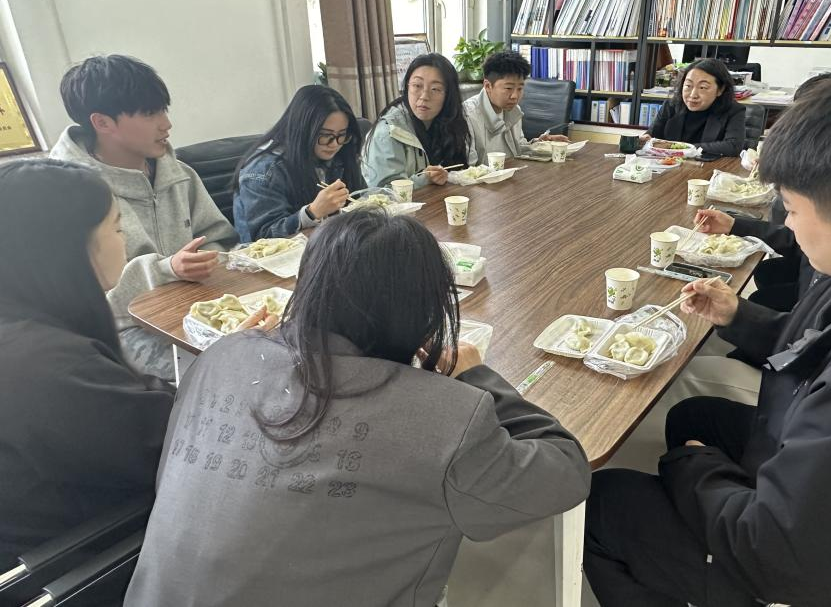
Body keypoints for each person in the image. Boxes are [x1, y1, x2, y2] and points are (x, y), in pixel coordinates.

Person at [584, 70, 831, 606]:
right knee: (692, 418)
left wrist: (695, 465)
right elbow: (816, 343)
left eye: (793, 210)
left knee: (606, 500)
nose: (790, 226)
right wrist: (739, 315)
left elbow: (777, 558)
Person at [124, 210, 591, 606]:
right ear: (424, 314)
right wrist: (476, 377)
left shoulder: (219, 355)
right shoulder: (445, 416)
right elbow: (567, 471)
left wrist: (242, 348)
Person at [0, 159, 176, 566]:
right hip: (86, 564)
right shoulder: (42, 366)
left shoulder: (28, 332)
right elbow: (177, 446)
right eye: (116, 228)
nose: (124, 240)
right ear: (70, 248)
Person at [50, 55, 237, 379]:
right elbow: (84, 297)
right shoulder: (67, 193)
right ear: (102, 122)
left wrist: (209, 261)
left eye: (163, 110)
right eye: (151, 114)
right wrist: (165, 270)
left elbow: (218, 236)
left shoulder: (179, 174)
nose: (166, 124)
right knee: (221, 376)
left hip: (200, 311)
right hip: (122, 330)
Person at [692, 71, 831, 313]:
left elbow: (809, 330)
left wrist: (737, 316)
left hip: (810, 304)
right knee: (765, 274)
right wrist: (735, 225)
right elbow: (795, 239)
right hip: (806, 285)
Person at [232, 85, 367, 243]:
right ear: (303, 130)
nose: (334, 144)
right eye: (325, 135)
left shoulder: (342, 152)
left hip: (331, 245)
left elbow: (360, 199)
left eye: (342, 135)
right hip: (277, 256)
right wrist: (312, 212)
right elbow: (263, 237)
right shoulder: (264, 169)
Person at [363, 53, 478, 188]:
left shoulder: (452, 122)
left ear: (448, 95)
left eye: (435, 89)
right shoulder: (388, 132)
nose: (424, 96)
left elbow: (465, 167)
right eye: (417, 85)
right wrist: (425, 179)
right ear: (407, 87)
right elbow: (384, 191)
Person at [462, 50, 569, 164]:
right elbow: (468, 167)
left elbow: (518, 148)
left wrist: (539, 143)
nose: (515, 96)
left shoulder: (514, 110)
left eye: (520, 89)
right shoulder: (468, 115)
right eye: (508, 88)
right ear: (488, 86)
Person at [639, 58, 745, 158]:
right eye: (688, 86)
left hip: (708, 167)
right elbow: (652, 137)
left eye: (703, 87)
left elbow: (733, 146)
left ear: (720, 90)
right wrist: (644, 139)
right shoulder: (671, 105)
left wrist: (686, 149)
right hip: (669, 165)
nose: (693, 95)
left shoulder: (733, 110)